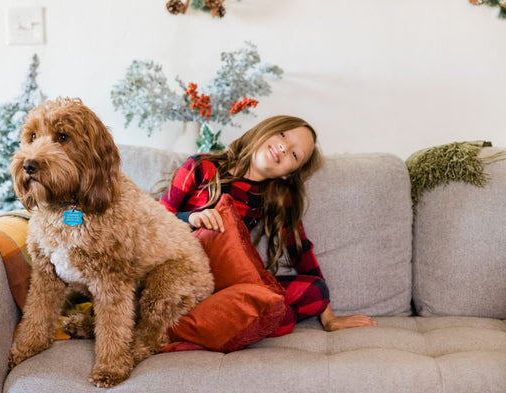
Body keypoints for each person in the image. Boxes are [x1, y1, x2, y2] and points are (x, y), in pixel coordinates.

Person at [160, 115, 376, 334]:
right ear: (265, 129)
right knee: (281, 318)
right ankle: (190, 328)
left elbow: (300, 252)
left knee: (313, 293)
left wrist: (329, 318)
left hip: (231, 288)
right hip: (186, 281)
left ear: (288, 174)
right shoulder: (202, 166)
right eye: (283, 134)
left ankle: (214, 325)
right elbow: (155, 221)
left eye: (294, 154)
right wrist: (191, 219)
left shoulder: (275, 196)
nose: (284, 147)